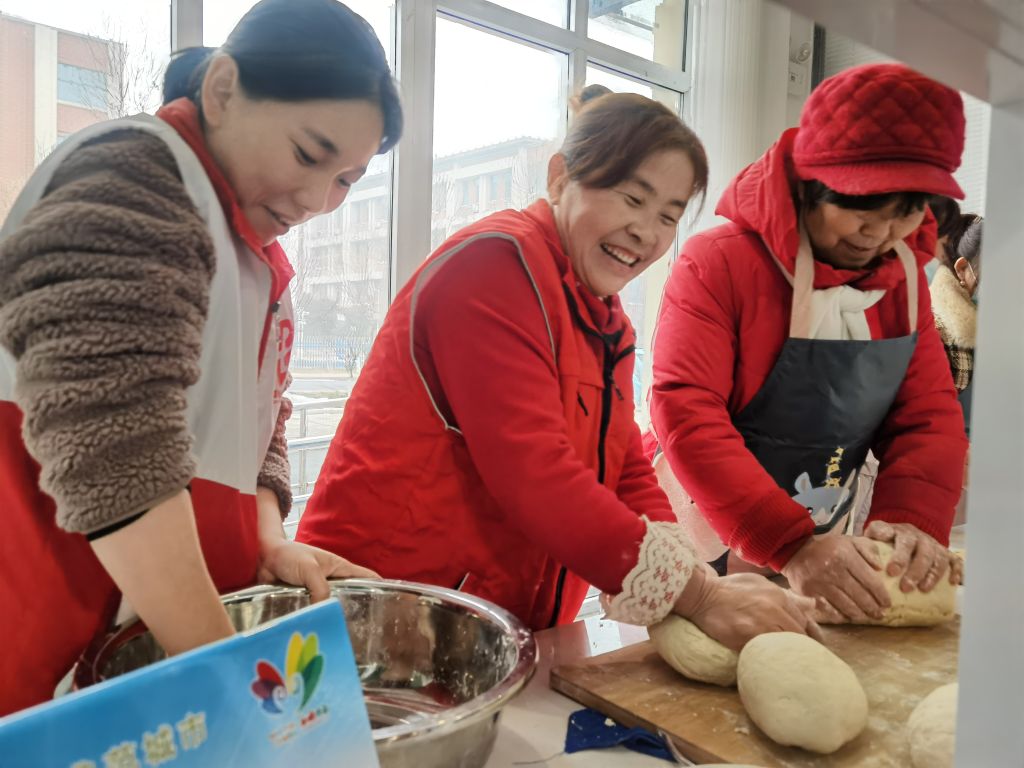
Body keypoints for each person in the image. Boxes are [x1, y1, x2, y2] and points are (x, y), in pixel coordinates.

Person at [297, 92, 820, 647]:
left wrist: (677, 560)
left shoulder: (605, 319)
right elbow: (537, 476)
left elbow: (624, 464)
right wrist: (699, 596)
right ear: (560, 177)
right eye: (632, 198)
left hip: (496, 624)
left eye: (668, 216)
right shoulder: (491, 268)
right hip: (385, 613)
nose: (646, 231)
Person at [0, 0, 399, 715]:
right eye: (309, 154)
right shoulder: (134, 177)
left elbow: (258, 426)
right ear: (221, 90)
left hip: (134, 656)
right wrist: (236, 687)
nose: (318, 199)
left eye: (346, 179)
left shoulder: (254, 255)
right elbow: (111, 446)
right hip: (33, 649)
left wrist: (267, 539)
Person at [647, 63, 968, 625]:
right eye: (861, 208)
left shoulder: (905, 284)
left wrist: (910, 522)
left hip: (823, 526)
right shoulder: (718, 263)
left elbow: (928, 417)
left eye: (904, 214)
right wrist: (788, 544)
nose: (878, 234)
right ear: (810, 184)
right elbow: (687, 413)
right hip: (703, 527)